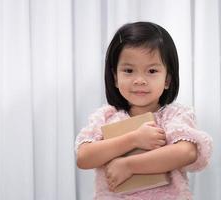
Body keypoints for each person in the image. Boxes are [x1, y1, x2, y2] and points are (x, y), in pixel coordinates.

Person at [75, 21, 213, 200]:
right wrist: (134, 139)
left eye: (152, 71)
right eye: (129, 70)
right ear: (115, 78)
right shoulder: (105, 116)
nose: (139, 80)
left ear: (167, 80)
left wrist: (130, 165)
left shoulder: (173, 116)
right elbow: (84, 157)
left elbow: (186, 152)